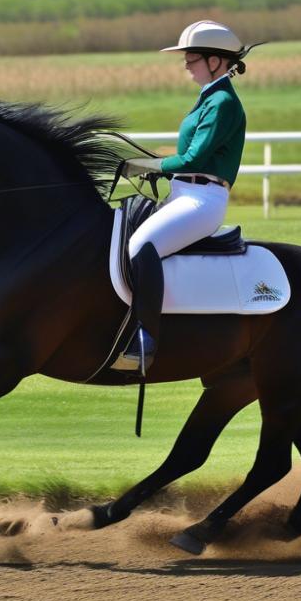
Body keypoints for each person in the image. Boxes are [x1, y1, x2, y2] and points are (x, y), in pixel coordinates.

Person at [119, 20, 262, 375]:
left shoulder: (223, 102)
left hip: (202, 201)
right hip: (183, 193)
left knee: (141, 247)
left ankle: (145, 338)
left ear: (216, 61)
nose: (185, 63)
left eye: (192, 57)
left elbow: (194, 159)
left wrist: (148, 165)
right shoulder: (209, 99)